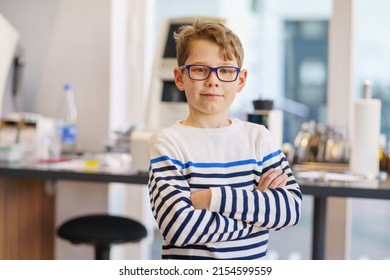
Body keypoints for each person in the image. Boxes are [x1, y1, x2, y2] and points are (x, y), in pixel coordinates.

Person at [148, 20, 302, 260]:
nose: (213, 80)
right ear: (179, 77)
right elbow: (179, 227)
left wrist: (211, 199)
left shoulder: (259, 138)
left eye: (226, 70)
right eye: (200, 69)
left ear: (240, 80)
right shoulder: (167, 143)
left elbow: (289, 210)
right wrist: (257, 216)